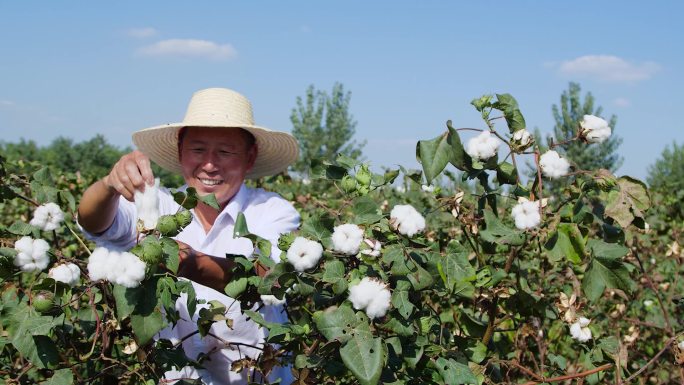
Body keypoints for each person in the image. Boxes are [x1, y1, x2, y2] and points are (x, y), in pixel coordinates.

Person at [78, 88, 300, 384]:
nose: (209, 164)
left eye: (225, 151)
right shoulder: (158, 205)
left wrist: (187, 261)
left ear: (250, 158)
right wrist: (109, 184)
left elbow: (271, 277)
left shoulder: (271, 212)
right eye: (198, 150)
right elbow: (93, 222)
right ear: (181, 152)